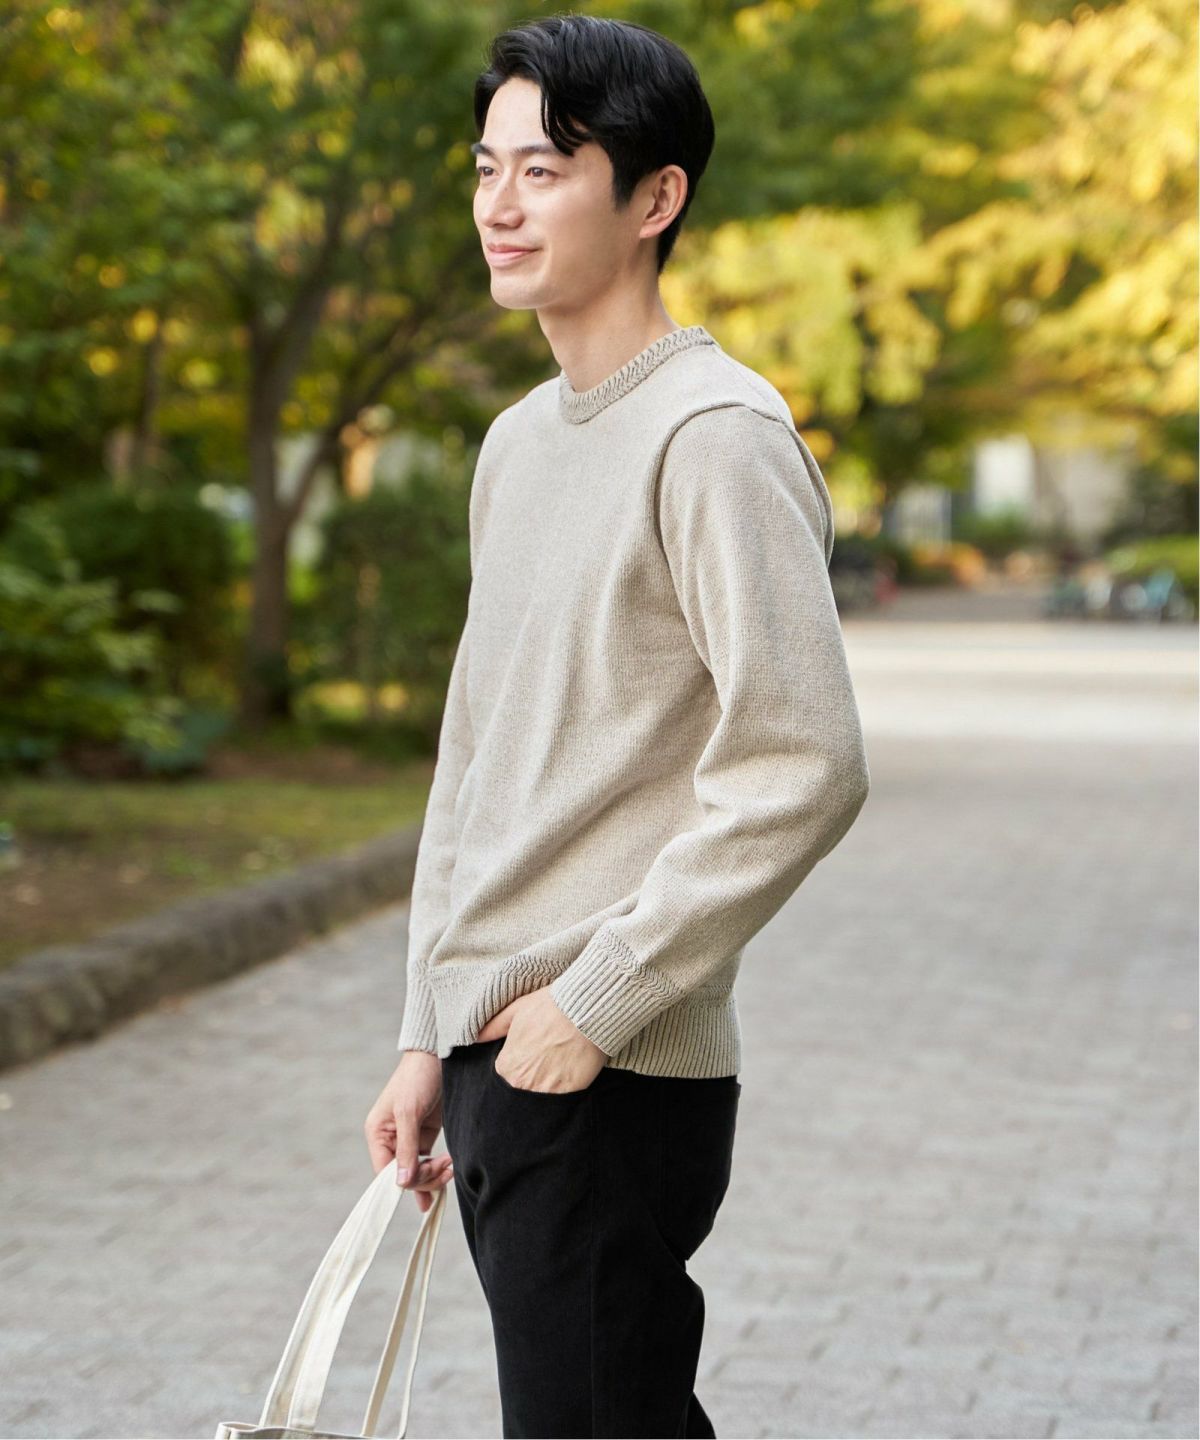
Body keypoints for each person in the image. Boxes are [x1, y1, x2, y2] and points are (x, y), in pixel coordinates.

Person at [364, 15, 871, 1438]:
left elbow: (806, 759)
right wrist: (427, 1031)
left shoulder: (716, 437)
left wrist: (592, 1003)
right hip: (505, 1064)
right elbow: (476, 760)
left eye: (546, 169)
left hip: (608, 1065)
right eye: (487, 167)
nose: (500, 203)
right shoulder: (519, 442)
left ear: (655, 198)